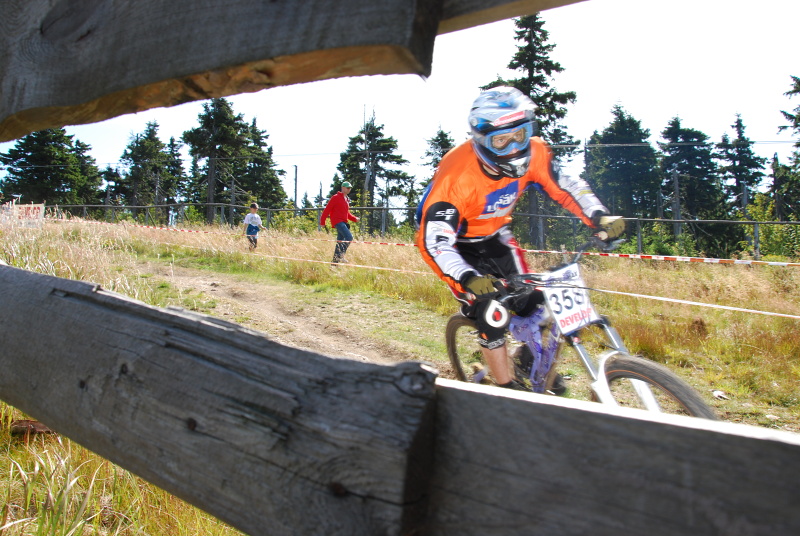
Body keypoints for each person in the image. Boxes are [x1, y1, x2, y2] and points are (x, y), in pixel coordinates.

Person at [416, 86, 624, 390]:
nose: (513, 148)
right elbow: (435, 242)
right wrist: (467, 277)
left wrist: (597, 214)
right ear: (480, 140)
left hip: (496, 236)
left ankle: (527, 360)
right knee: (491, 312)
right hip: (456, 246)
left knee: (539, 301)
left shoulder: (536, 152)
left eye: (520, 135)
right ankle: (506, 390)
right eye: (500, 141)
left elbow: (565, 185)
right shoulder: (456, 175)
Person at [320, 181, 359, 264]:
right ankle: (341, 255)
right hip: (338, 222)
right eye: (347, 188)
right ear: (342, 188)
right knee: (349, 237)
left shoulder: (346, 199)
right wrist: (322, 221)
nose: (349, 189)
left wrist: (354, 219)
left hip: (343, 222)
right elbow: (327, 210)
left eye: (350, 188)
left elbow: (347, 213)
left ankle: (334, 264)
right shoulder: (336, 197)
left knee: (339, 242)